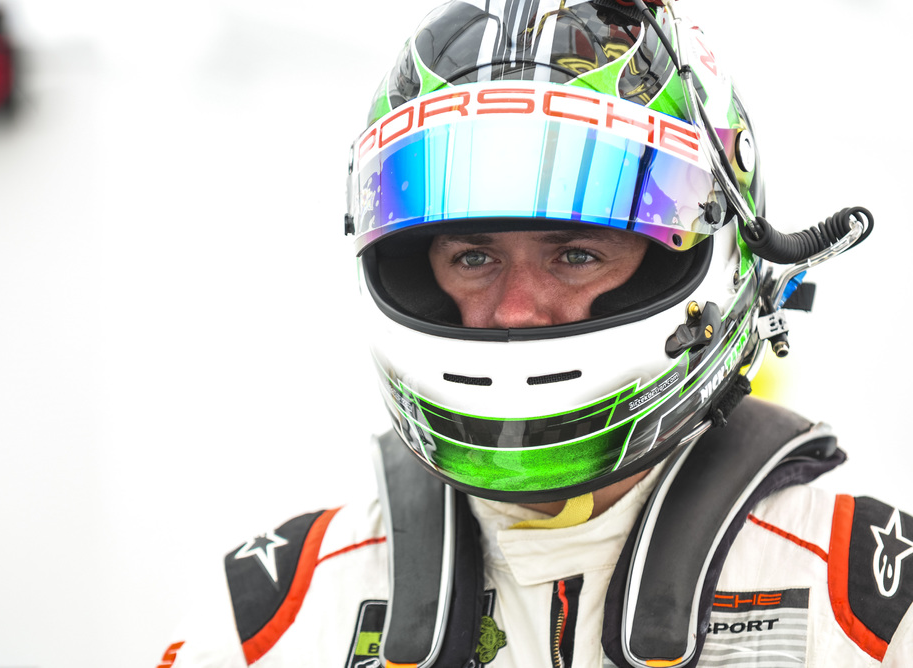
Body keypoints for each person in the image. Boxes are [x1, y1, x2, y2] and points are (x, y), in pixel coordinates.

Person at [157, 1, 911, 666]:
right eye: (473, 258)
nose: (516, 309)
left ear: (709, 253)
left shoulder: (871, 612)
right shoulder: (276, 620)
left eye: (576, 255)